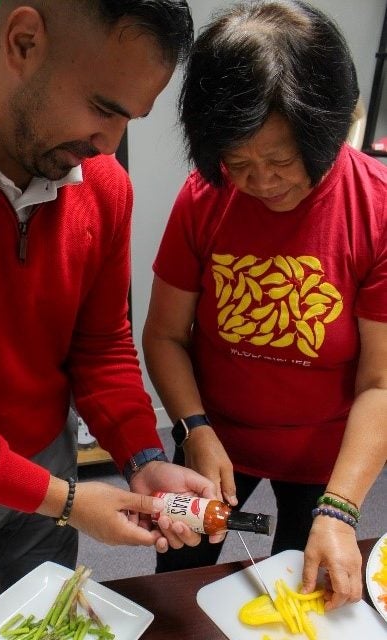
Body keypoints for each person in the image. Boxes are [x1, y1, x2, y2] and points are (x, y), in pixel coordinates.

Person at [0, 0, 216, 610]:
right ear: (24, 41)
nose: (110, 143)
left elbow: (100, 347)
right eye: (103, 108)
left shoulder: (102, 183)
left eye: (129, 118)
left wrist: (143, 456)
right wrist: (67, 501)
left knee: (49, 621)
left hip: (47, 455)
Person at [142, 0, 387, 611]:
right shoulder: (204, 198)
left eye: (280, 160)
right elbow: (165, 335)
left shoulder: (376, 211)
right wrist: (193, 428)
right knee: (176, 580)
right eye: (238, 163)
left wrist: (340, 508)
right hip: (211, 437)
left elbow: (380, 383)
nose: (261, 183)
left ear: (328, 130)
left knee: (303, 590)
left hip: (323, 456)